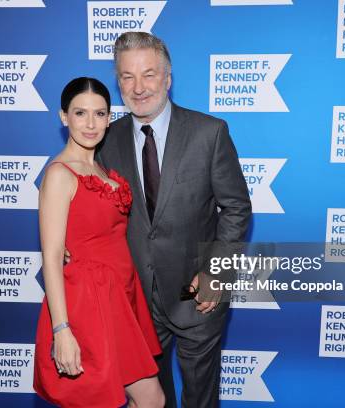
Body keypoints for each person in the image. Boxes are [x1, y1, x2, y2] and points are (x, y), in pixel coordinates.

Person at [96, 32, 252, 407]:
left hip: (196, 293)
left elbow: (236, 207)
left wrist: (216, 273)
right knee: (152, 398)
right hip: (135, 301)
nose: (138, 87)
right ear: (118, 82)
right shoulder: (105, 140)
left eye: (149, 74)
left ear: (167, 78)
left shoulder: (208, 133)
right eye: (127, 77)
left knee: (199, 398)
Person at [33, 77, 165, 408]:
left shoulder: (104, 172)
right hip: (88, 303)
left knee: (147, 399)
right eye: (80, 113)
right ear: (64, 117)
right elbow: (51, 258)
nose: (91, 124)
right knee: (143, 399)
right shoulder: (59, 174)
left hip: (121, 296)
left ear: (109, 117)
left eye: (100, 113)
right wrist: (62, 330)